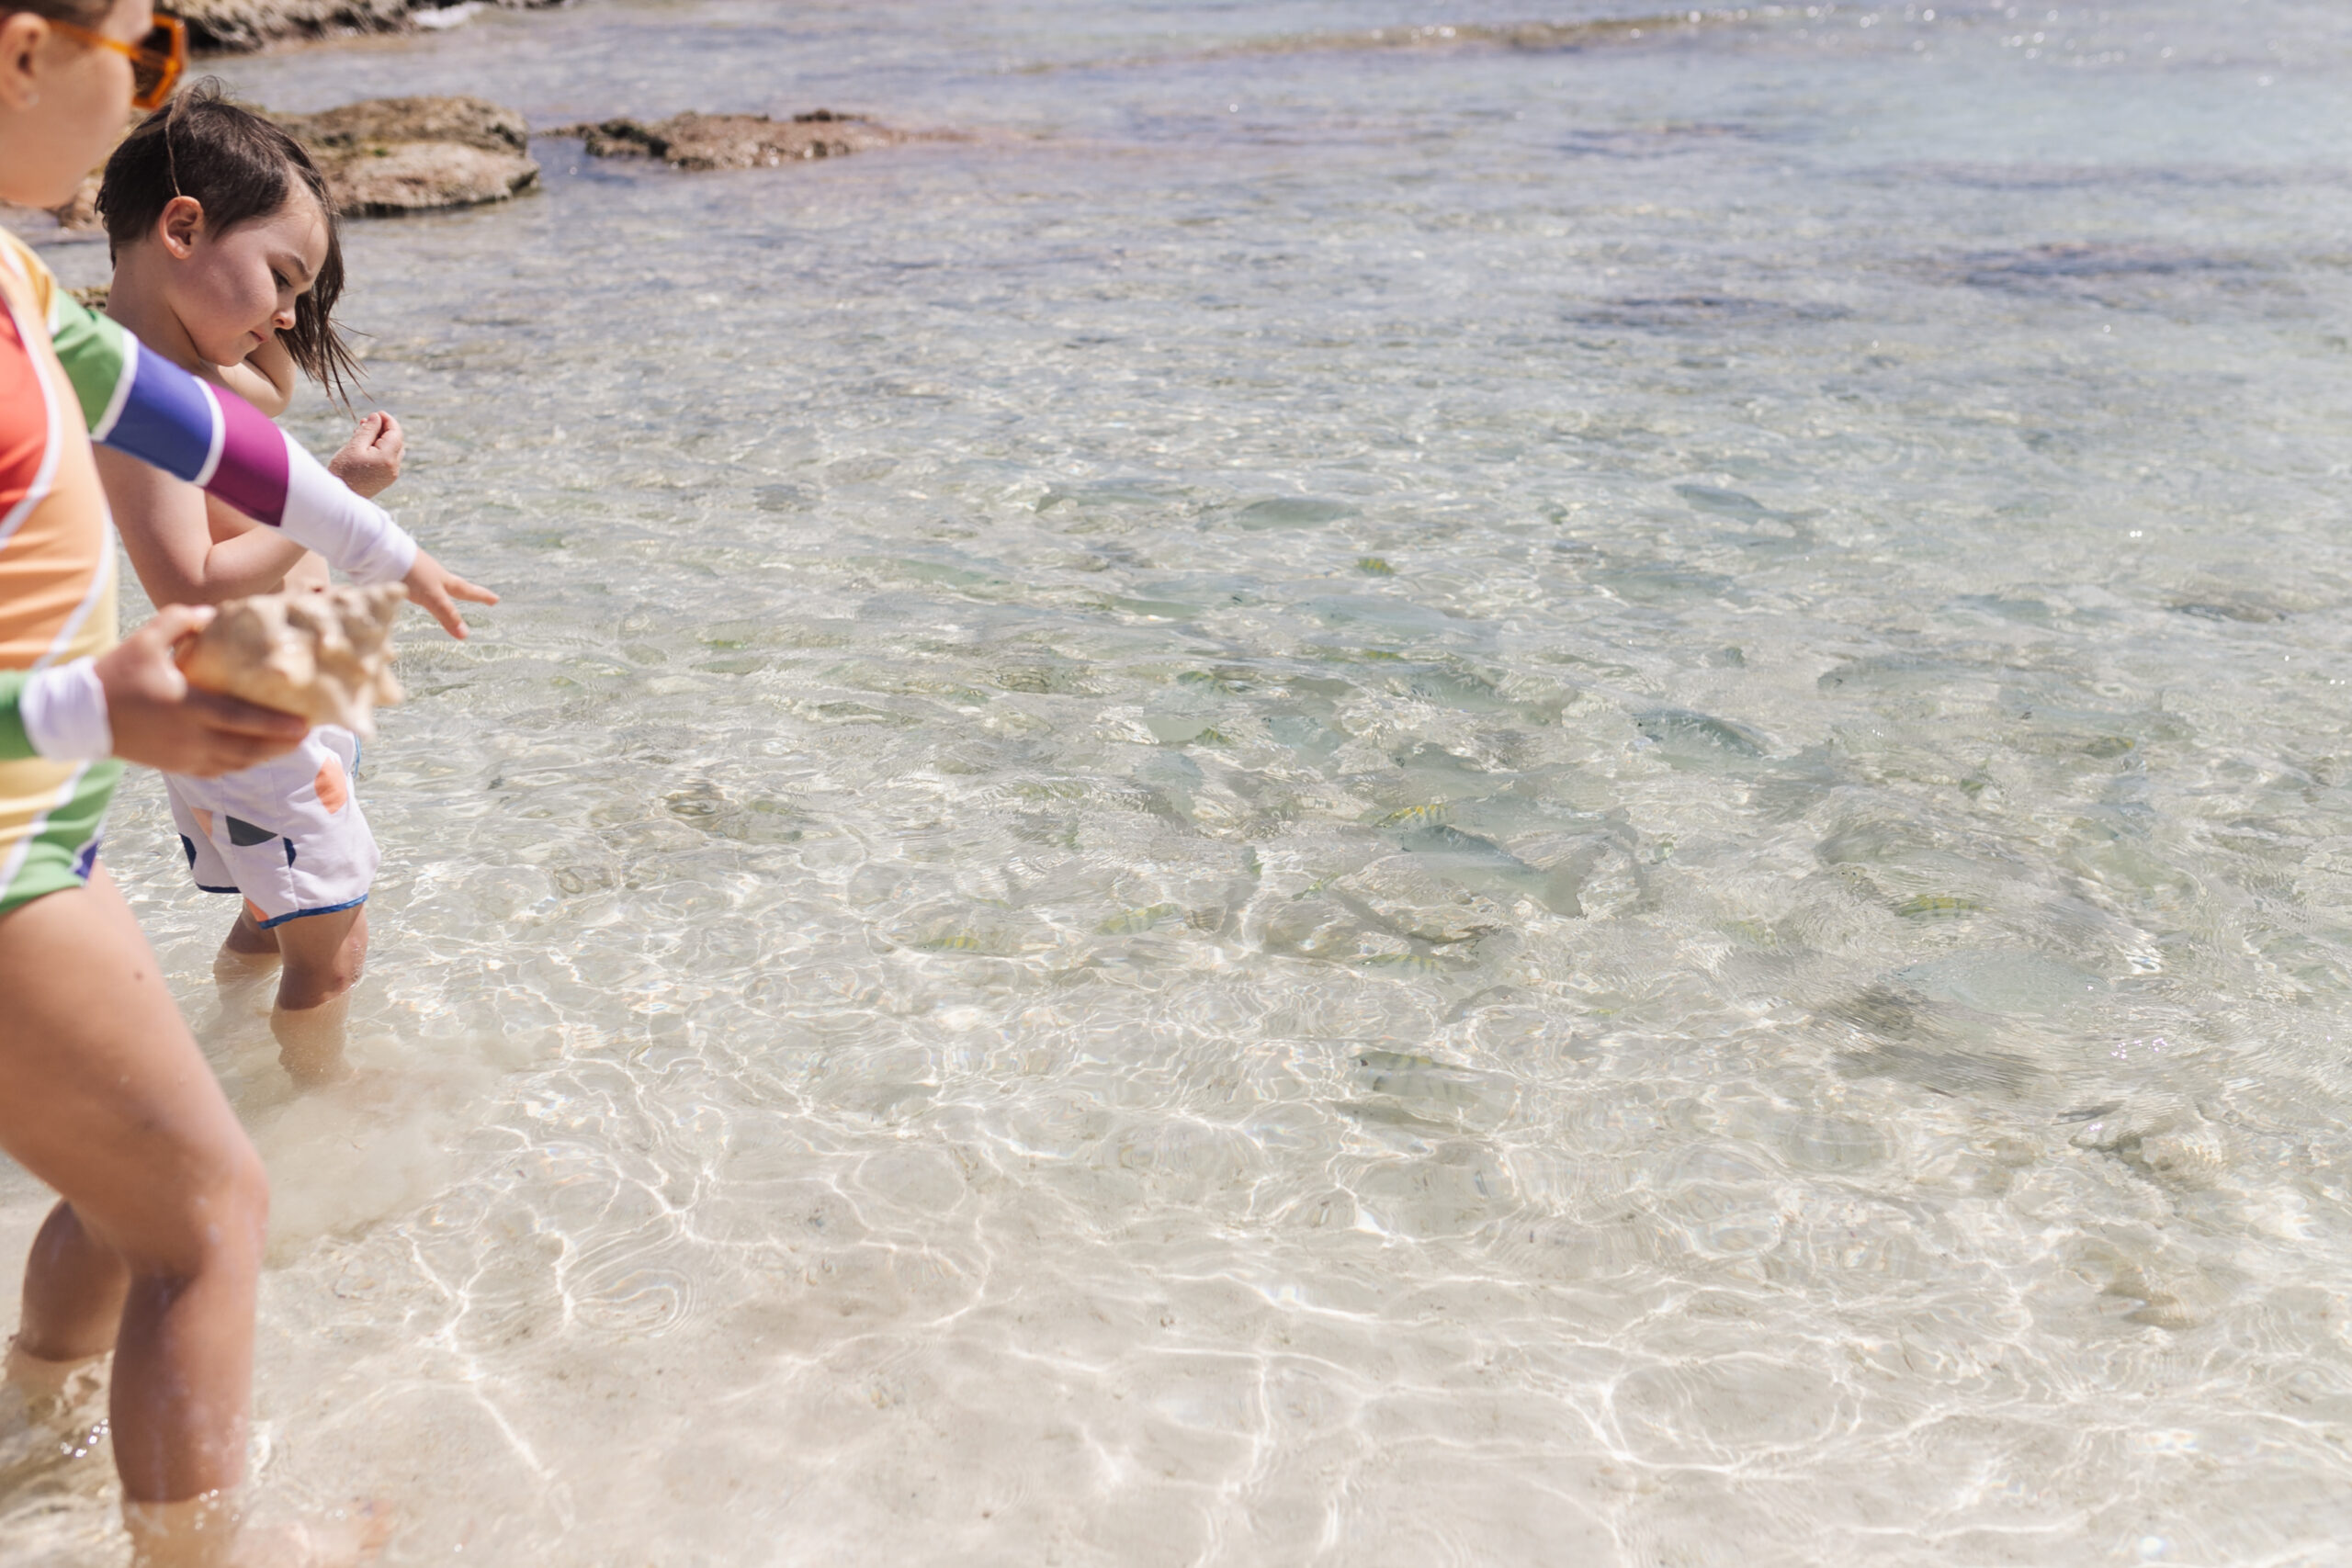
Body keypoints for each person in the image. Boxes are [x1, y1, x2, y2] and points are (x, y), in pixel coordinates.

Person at [1, 1, 484, 1557]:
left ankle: (30, 1420)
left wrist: (384, 547)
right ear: (22, 49)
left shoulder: (21, 288)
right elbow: (188, 540)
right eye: (143, 55)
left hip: (49, 841)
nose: (159, 90)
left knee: (138, 1187)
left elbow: (194, 427)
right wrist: (75, 708)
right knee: (209, 1216)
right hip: (20, 839)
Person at [94, 86, 434, 1084]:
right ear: (183, 226)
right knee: (333, 957)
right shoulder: (137, 399)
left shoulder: (189, 365)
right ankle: (308, 1129)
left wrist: (279, 293)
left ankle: (220, 1046)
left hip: (295, 681)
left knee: (272, 910)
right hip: (255, 699)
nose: (287, 315)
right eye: (280, 278)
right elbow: (191, 587)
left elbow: (274, 388)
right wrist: (332, 494)